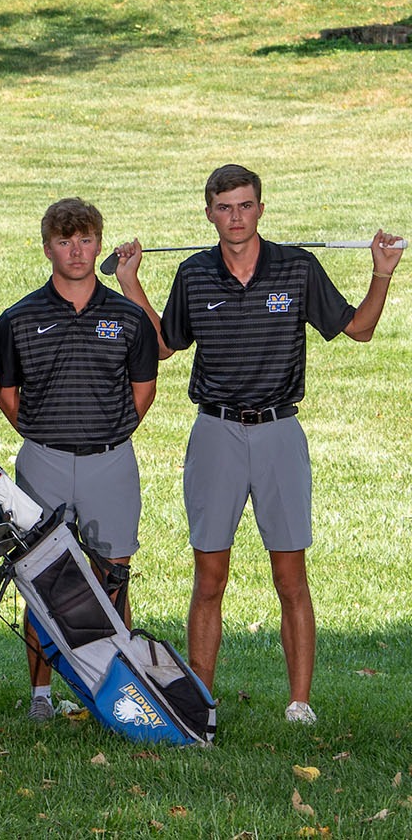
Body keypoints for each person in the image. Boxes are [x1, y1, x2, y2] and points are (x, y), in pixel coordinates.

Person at [114, 164, 401, 725]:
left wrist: (382, 274)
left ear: (261, 210)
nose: (236, 217)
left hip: (279, 433)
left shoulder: (297, 267)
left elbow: (359, 329)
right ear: (209, 214)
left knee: (290, 575)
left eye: (245, 206)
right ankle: (200, 700)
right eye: (224, 208)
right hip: (215, 432)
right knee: (209, 575)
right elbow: (166, 344)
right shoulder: (196, 274)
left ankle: (299, 703)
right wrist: (130, 284)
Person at [0, 197, 157, 721]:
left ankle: (123, 689)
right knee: (44, 576)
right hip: (43, 459)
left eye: (85, 239)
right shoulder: (19, 318)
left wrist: (103, 433)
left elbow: (143, 391)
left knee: (114, 575)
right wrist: (48, 436)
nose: (76, 250)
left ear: (99, 243)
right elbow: (8, 395)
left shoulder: (128, 317)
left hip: (110, 460)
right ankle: (41, 696)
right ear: (48, 249)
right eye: (65, 241)